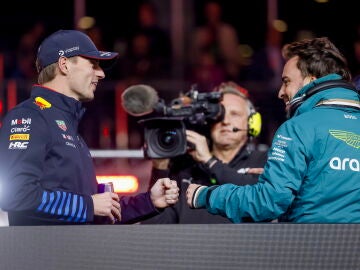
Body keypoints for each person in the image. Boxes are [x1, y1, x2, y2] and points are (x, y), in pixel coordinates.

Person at [0, 29, 179, 226]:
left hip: (76, 254)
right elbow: (16, 194)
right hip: (44, 255)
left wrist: (149, 201)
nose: (101, 73)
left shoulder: (68, 125)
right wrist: (88, 205)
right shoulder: (30, 116)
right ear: (64, 64)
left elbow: (98, 210)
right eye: (92, 64)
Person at [186, 37, 360, 223]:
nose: (280, 92)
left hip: (312, 245)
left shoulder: (298, 128)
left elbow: (267, 202)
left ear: (310, 81)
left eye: (286, 81)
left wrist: (205, 195)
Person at [142, 81, 267, 224]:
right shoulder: (185, 169)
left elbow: (258, 200)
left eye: (235, 114)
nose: (225, 121)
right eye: (219, 114)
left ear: (252, 122)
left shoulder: (264, 161)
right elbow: (153, 229)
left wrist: (209, 161)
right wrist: (160, 169)